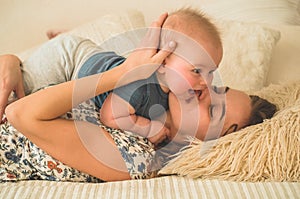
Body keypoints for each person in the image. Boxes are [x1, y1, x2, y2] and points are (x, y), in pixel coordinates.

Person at [0, 11, 276, 182]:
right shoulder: (150, 91)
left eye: (215, 111)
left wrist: (124, 73)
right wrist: (13, 60)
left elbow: (20, 114)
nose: (204, 89)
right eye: (218, 89)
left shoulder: (140, 158)